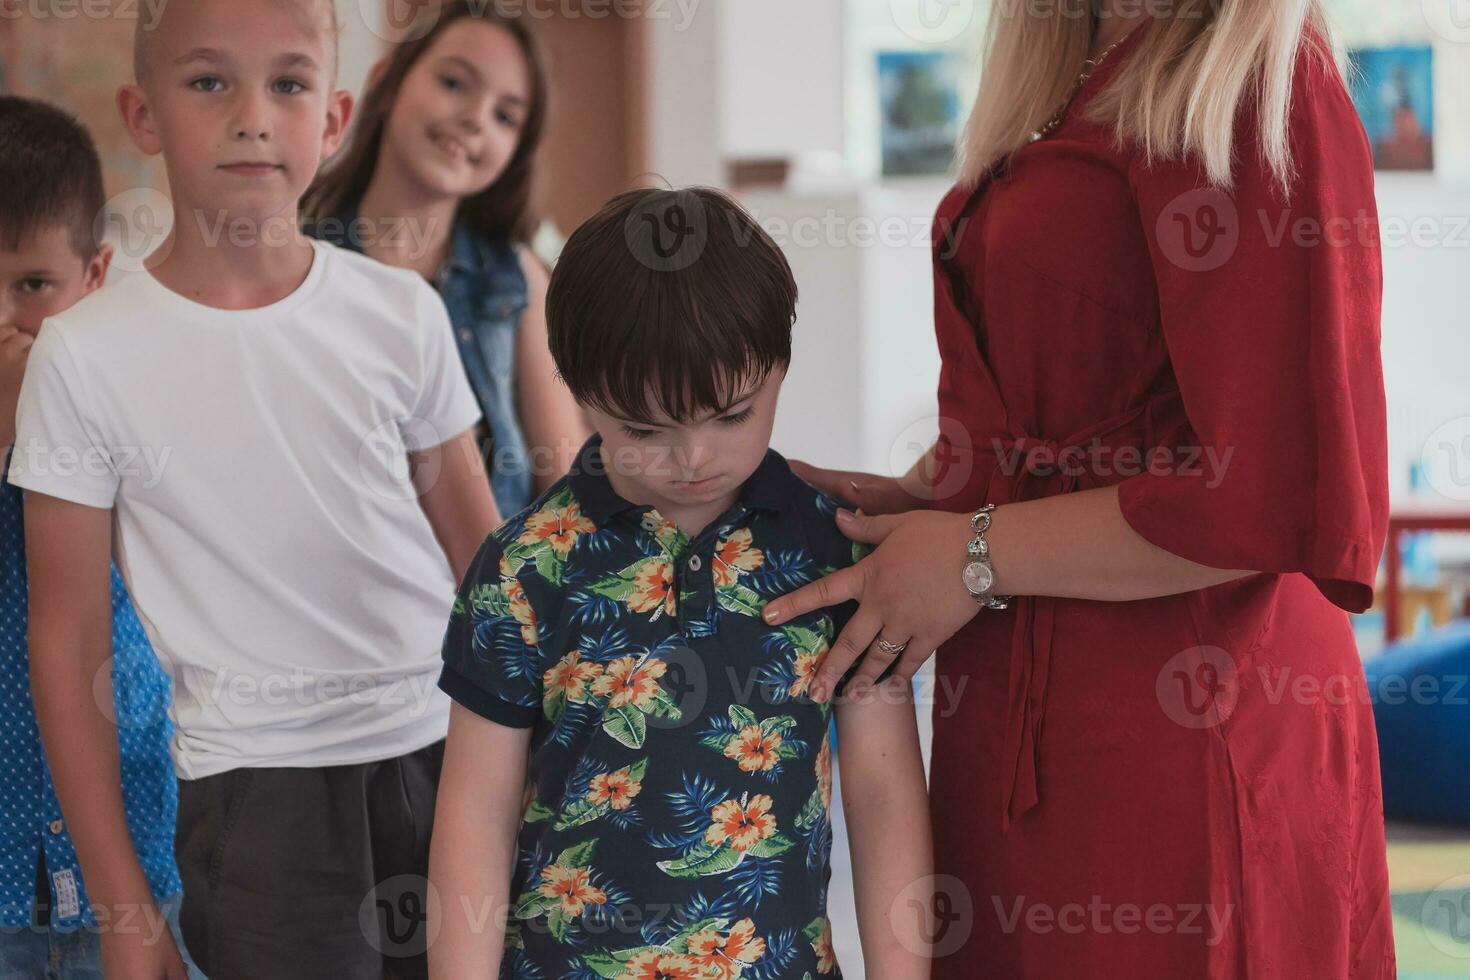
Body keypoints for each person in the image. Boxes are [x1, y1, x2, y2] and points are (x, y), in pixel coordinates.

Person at [764, 2, 1395, 977]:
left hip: (1180, 711)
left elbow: (1270, 485)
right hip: (1018, 693)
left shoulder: (1256, 75)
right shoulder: (1066, 75)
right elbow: (1083, 403)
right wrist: (925, 507)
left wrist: (973, 549)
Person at [9, 1, 500, 976]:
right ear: (142, 116)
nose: (251, 115)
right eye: (207, 82)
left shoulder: (401, 313)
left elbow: (488, 566)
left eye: (287, 83)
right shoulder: (86, 352)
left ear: (333, 118)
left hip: (461, 759)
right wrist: (125, 909)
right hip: (257, 801)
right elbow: (67, 643)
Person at [428, 188, 932, 979]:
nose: (693, 458)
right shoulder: (526, 567)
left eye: (731, 415)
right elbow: (474, 813)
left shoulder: (835, 553)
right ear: (577, 389)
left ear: (779, 367)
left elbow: (883, 791)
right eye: (644, 430)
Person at [0, 95, 204, 980]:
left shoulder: (133, 407)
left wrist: (49, 436)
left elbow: (168, 570)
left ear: (93, 277)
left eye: (30, 287)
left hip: (136, 860)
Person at [304, 1, 587, 517]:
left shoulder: (514, 275)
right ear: (387, 82)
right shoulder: (299, 260)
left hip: (495, 587)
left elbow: (565, 484)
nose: (475, 118)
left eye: (505, 115)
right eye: (455, 83)